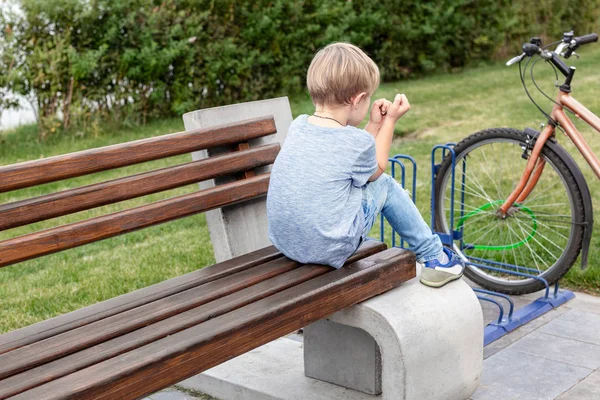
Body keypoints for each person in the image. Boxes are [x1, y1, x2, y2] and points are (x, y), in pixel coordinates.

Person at [266, 42, 464, 288]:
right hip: (328, 248)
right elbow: (377, 168)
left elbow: (354, 155)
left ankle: (433, 255)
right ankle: (434, 256)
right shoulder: (353, 142)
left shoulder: (300, 125)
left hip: (289, 242)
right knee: (385, 184)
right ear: (358, 99)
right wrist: (390, 121)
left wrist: (372, 125)